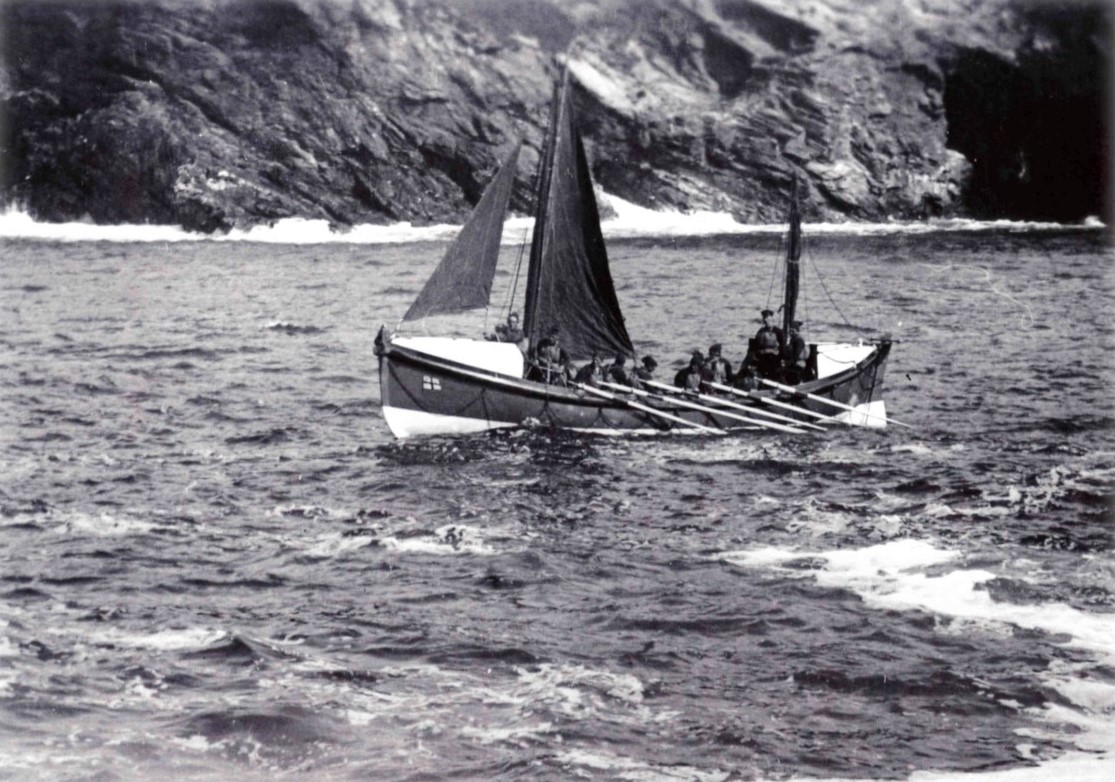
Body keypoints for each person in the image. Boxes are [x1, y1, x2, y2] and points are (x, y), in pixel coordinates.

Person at [751, 308, 784, 378]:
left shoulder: (778, 332)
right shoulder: (761, 331)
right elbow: (755, 346)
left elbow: (782, 347)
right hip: (762, 358)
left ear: (772, 320)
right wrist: (754, 357)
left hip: (774, 359)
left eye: (768, 320)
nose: (766, 321)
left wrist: (780, 359)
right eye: (764, 320)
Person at [782, 320, 810, 384]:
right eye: (790, 331)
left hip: (797, 366)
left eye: (792, 331)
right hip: (793, 365)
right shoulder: (793, 339)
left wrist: (787, 363)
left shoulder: (799, 340)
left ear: (796, 330)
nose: (790, 333)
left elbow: (797, 355)